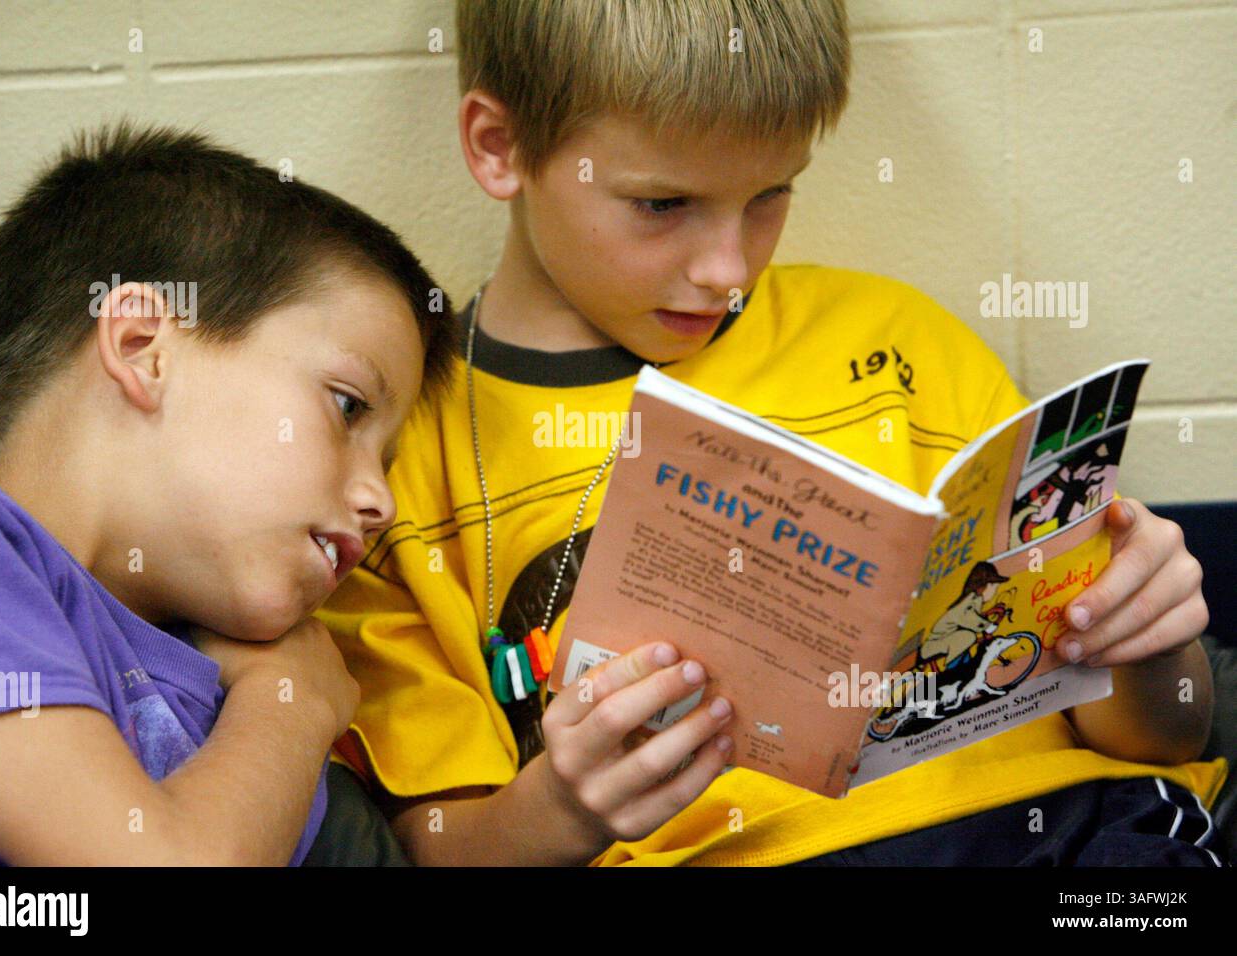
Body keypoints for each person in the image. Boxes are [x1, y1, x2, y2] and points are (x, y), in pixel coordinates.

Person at [318, 0, 1225, 866]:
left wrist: (1149, 648)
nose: (726, 271)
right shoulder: (401, 458)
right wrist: (564, 809)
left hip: (1056, 832)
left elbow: (1164, 735)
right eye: (662, 205)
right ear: (499, 146)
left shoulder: (899, 346)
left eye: (769, 196)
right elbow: (430, 850)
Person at [0, 122, 456, 865]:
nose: (383, 502)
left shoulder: (244, 700)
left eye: (390, 459)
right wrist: (292, 705)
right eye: (346, 406)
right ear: (142, 349)